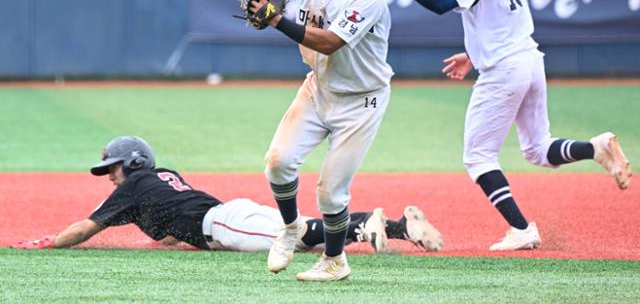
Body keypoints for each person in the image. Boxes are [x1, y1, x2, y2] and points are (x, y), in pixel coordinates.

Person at [367, 0, 632, 251]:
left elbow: (441, 4)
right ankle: (595, 147)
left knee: (477, 156)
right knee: (538, 150)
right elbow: (499, 20)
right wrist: (473, 55)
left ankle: (521, 228)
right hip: (528, 60)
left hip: (506, 69)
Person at [234, 0, 394, 280]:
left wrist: (274, 18)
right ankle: (290, 227)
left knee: (330, 192)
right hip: (318, 88)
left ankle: (335, 261)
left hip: (361, 100)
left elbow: (329, 42)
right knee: (277, 162)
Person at [12, 136, 443, 255]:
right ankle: (398, 226)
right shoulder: (157, 181)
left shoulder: (137, 185)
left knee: (295, 237)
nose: (110, 176)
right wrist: (159, 242)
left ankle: (369, 227)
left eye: (113, 167)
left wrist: (50, 241)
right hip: (228, 218)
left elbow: (87, 227)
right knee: (305, 237)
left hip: (223, 223)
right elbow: (168, 222)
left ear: (135, 163)